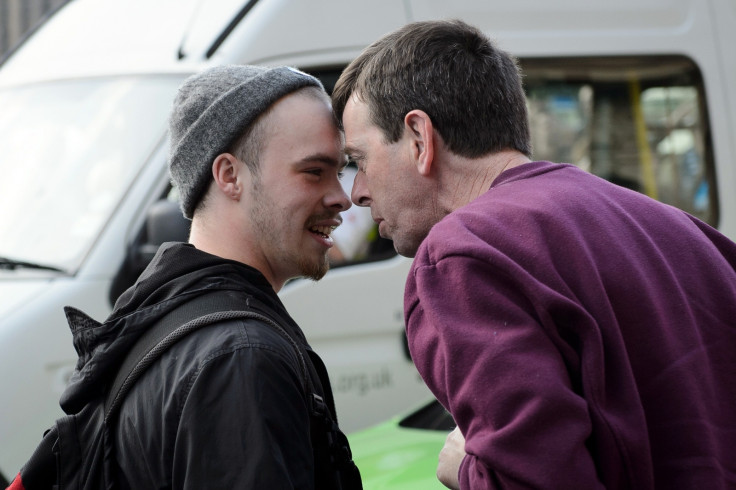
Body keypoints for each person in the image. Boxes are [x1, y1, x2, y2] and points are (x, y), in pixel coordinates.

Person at [332, 19, 736, 490]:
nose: (356, 192)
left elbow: (535, 478)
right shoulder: (679, 228)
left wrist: (467, 468)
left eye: (359, 161)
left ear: (420, 139)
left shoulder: (462, 258)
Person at [60, 65, 362, 488]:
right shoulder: (241, 356)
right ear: (229, 176)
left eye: (341, 170)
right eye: (314, 171)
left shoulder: (164, 317)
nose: (342, 198)